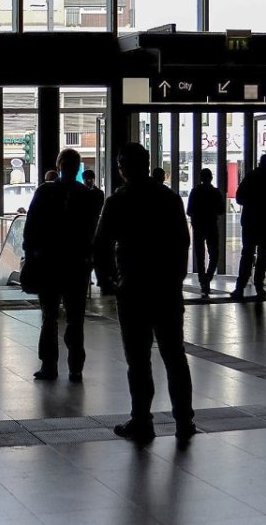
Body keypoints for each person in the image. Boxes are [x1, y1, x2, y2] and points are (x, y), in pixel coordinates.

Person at [93, 142, 196, 444]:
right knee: (175, 355)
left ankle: (142, 420)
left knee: (138, 360)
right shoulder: (169, 198)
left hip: (134, 289)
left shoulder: (118, 201)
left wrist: (108, 280)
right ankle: (184, 420)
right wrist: (175, 279)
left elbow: (101, 244)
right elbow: (182, 242)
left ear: (122, 167)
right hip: (165, 289)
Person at [22, 148, 100, 382]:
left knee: (50, 316)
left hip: (49, 263)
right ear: (78, 168)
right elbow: (91, 231)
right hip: (76, 265)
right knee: (76, 317)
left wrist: (31, 253)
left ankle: (49, 365)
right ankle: (76, 366)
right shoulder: (87, 196)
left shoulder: (45, 192)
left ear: (58, 166)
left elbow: (31, 226)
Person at [230, 154, 266, 300]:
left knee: (247, 255)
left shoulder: (251, 176)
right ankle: (259, 286)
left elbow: (239, 197)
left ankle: (240, 287)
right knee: (263, 256)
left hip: (251, 222)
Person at [187, 168, 226, 298]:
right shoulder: (215, 193)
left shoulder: (195, 192)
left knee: (200, 257)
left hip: (198, 226)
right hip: (211, 226)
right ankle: (207, 278)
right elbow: (221, 210)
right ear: (211, 178)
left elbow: (189, 210)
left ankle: (203, 281)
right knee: (214, 255)